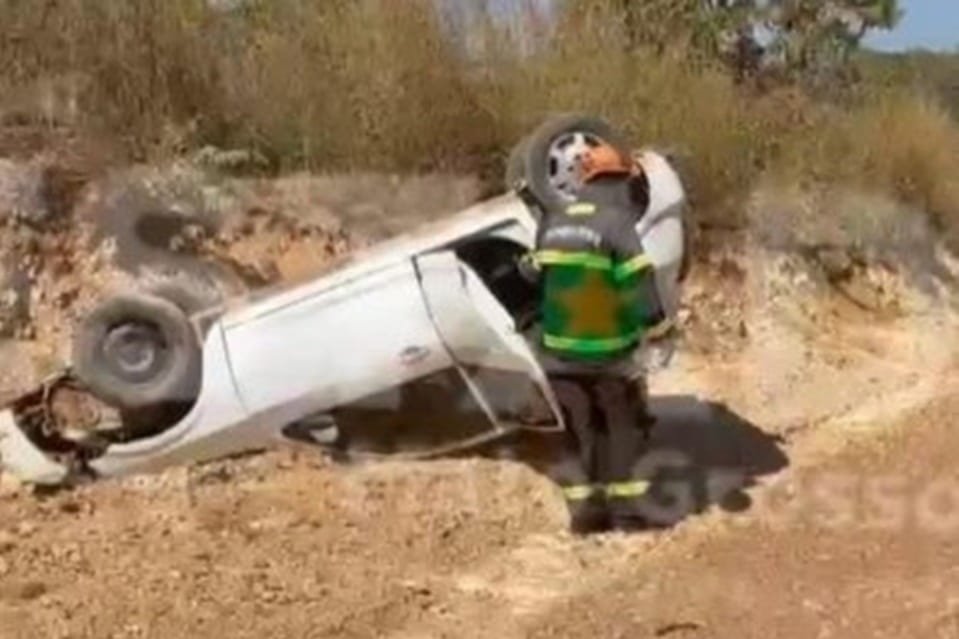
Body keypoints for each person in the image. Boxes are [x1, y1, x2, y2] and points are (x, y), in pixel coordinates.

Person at [521, 142, 667, 535]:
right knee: (620, 428)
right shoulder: (615, 222)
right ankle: (627, 514)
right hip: (608, 354)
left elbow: (531, 275)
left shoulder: (553, 221)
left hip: (558, 353)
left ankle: (585, 516)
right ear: (617, 180)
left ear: (585, 179)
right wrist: (656, 325)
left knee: (576, 432)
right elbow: (638, 280)